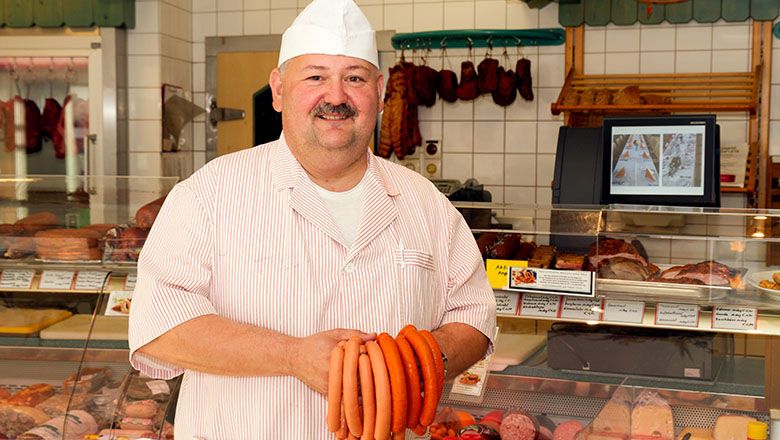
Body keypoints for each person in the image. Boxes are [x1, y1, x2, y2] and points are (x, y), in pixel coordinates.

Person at [128, 0, 496, 438]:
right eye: (315, 76)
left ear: (379, 93)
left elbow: (474, 315)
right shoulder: (209, 194)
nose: (336, 97)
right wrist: (292, 356)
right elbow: (159, 327)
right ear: (279, 89)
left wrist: (423, 358)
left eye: (354, 78)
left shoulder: (425, 203)